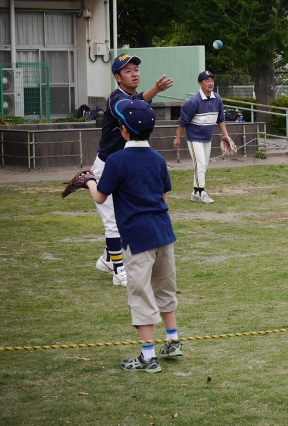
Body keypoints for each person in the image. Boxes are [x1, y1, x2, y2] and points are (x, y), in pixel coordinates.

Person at [86, 99, 183, 373]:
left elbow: (101, 196)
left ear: (123, 131)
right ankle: (173, 339)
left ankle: (148, 356)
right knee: (164, 286)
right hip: (163, 232)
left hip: (136, 237)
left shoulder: (116, 160)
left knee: (140, 292)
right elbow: (163, 195)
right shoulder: (157, 158)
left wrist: (89, 180)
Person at [93, 53, 174, 287]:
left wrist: (154, 90)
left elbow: (137, 102)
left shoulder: (132, 98)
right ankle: (119, 270)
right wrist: (153, 90)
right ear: (117, 78)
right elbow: (131, 108)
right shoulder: (116, 99)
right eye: (127, 71)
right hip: (108, 164)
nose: (134, 73)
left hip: (125, 165)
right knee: (113, 222)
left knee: (126, 216)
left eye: (136, 69)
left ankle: (109, 259)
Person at [172, 70, 236, 204]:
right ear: (200, 84)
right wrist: (178, 138)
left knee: (203, 165)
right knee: (200, 164)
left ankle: (195, 192)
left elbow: (220, 119)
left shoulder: (217, 99)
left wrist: (226, 135)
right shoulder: (194, 102)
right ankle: (201, 192)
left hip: (207, 138)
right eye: (207, 80)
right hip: (194, 138)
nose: (210, 83)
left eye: (212, 80)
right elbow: (183, 121)